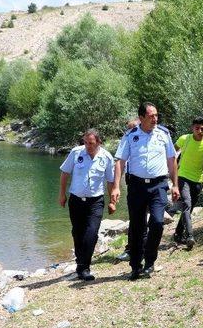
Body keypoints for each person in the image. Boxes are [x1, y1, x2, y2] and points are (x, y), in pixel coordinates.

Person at [112, 102, 180, 280]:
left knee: (157, 222)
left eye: (156, 115)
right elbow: (119, 161)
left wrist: (175, 184)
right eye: (151, 116)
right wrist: (116, 186)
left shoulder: (164, 134)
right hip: (136, 186)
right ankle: (136, 265)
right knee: (137, 226)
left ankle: (150, 261)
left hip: (158, 185)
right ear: (141, 118)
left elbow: (171, 159)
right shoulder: (130, 135)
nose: (155, 119)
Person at [59, 129, 116, 281]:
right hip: (76, 200)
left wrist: (112, 201)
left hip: (95, 201)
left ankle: (85, 267)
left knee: (91, 232)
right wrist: (62, 194)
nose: (87, 146)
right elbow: (65, 173)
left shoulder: (106, 157)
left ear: (99, 142)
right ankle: (80, 263)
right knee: (77, 232)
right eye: (85, 142)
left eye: (91, 143)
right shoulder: (76, 153)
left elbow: (110, 181)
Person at [172, 116, 203, 249]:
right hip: (183, 176)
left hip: (198, 179)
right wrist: (172, 173)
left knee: (188, 209)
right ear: (192, 128)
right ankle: (190, 236)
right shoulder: (184, 139)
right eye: (197, 128)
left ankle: (178, 234)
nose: (200, 131)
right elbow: (171, 153)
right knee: (187, 205)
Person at [116, 118, 141, 262]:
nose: (130, 131)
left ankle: (139, 248)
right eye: (129, 129)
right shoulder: (127, 140)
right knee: (135, 216)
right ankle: (130, 248)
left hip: (150, 182)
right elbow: (119, 161)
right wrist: (116, 186)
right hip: (132, 180)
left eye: (133, 128)